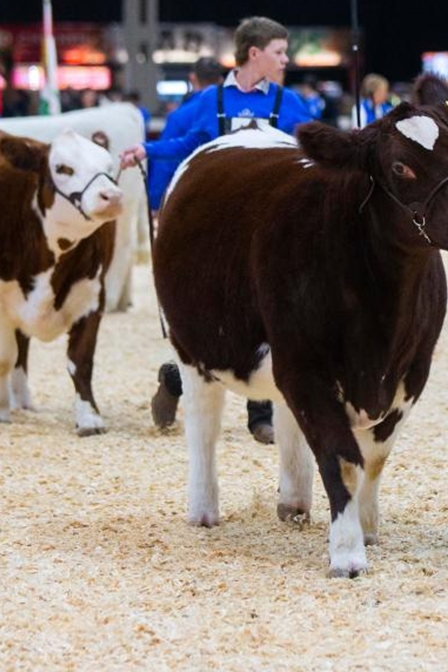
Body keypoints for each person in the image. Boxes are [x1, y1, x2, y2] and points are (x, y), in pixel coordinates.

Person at [124, 16, 313, 445]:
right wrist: (145, 150)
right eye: (280, 53)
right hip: (216, 233)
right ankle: (176, 378)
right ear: (255, 54)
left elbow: (311, 148)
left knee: (265, 312)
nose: (286, 60)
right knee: (209, 317)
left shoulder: (290, 103)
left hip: (269, 229)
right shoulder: (208, 102)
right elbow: (187, 144)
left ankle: (259, 414)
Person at [144, 56, 224, 212]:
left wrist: (155, 202)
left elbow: (165, 165)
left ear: (192, 78)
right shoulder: (230, 112)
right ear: (221, 80)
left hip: (187, 199)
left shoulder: (179, 116)